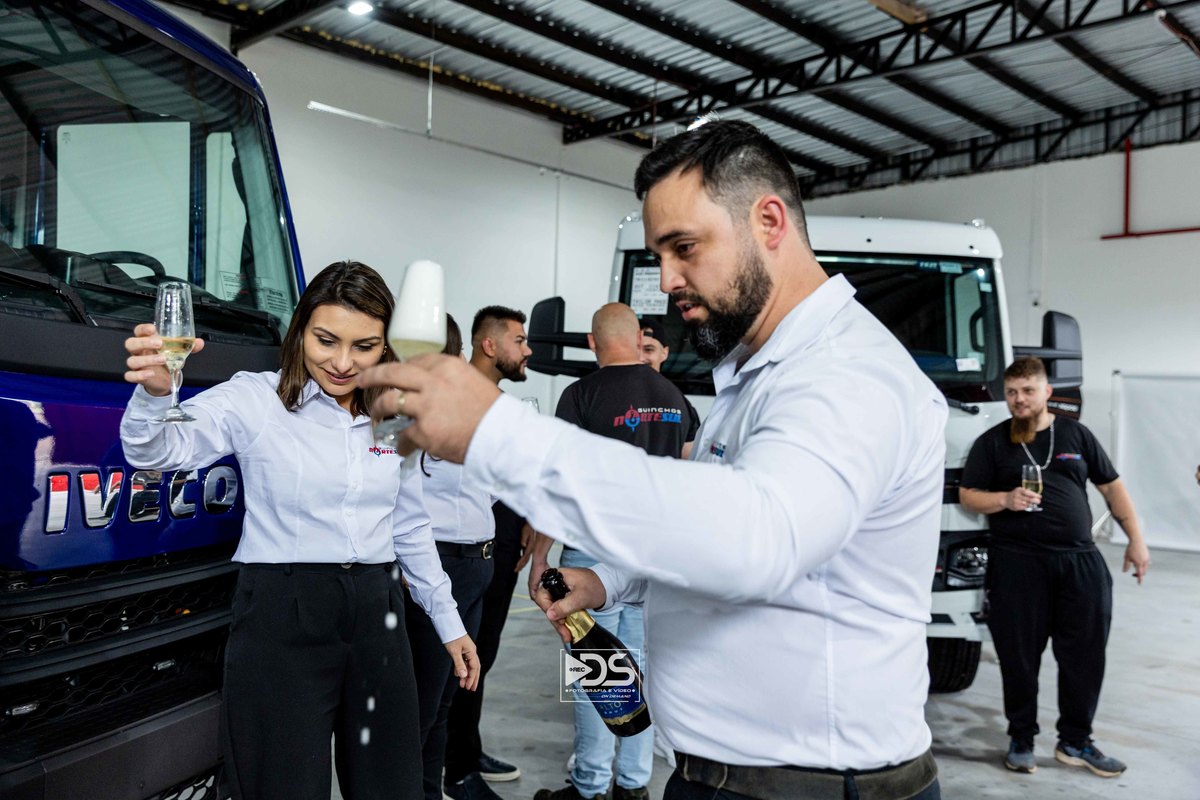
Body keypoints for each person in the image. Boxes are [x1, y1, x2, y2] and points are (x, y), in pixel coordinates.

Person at [360, 120, 946, 800]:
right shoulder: (754, 378)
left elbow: (758, 539)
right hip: (724, 777)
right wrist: (608, 582)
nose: (666, 280)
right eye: (658, 255)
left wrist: (497, 432)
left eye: (684, 247)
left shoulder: (844, 373)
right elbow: (709, 536)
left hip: (811, 788)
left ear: (769, 221)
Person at [119, 261, 479, 800]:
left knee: (393, 785)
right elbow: (155, 451)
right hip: (282, 616)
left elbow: (408, 524)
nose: (342, 362)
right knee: (281, 787)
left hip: (378, 615)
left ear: (385, 346)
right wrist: (155, 395)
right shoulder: (254, 400)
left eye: (364, 346)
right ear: (300, 331)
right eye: (326, 340)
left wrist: (448, 622)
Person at [528, 303, 692, 800]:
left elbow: (557, 482)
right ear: (639, 338)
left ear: (592, 343)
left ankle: (590, 785)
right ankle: (634, 784)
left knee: (595, 673)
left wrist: (540, 556)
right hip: (653, 556)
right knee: (640, 670)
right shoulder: (674, 397)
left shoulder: (581, 395)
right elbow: (690, 477)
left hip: (589, 559)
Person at [959, 356, 1150, 779]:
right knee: (1019, 658)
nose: (1019, 399)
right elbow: (969, 495)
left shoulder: (1076, 433)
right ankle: (1021, 739)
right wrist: (1004, 499)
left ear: (1047, 392)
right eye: (1012, 392)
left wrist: (1136, 539)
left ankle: (1075, 742)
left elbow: (1111, 487)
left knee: (1085, 657)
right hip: (1018, 565)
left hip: (1079, 562)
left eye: (1028, 390)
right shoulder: (992, 442)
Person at [441, 306, 533, 800]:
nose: (528, 350)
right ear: (489, 345)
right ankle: (454, 765)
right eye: (519, 340)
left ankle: (465, 749)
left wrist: (530, 521)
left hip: (498, 545)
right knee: (460, 660)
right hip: (465, 550)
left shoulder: (503, 407)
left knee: (483, 655)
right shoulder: (453, 404)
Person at [406, 314, 497, 800]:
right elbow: (395, 504)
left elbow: (493, 486)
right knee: (421, 706)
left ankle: (430, 791)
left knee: (445, 702)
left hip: (477, 565)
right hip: (434, 565)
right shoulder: (403, 418)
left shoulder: (477, 413)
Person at [636, 315, 700, 457]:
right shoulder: (606, 395)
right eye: (635, 350)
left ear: (664, 353)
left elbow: (690, 459)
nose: (640, 357)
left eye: (648, 349)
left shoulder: (681, 404)